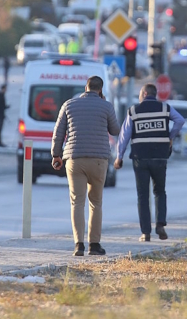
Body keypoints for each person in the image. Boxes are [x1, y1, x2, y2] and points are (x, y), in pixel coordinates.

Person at [52, 76, 120, 257]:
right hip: (99, 160)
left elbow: (58, 133)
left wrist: (56, 155)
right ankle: (95, 245)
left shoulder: (69, 105)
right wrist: (104, 108)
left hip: (75, 159)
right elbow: (115, 130)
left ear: (86, 87)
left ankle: (78, 245)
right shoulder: (106, 106)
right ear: (100, 89)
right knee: (96, 203)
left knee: (77, 202)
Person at [114, 84, 185, 242]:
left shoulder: (134, 111)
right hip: (160, 157)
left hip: (141, 157)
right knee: (160, 191)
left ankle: (145, 233)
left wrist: (119, 156)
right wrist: (170, 136)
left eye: (140, 93)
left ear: (145, 94)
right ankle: (160, 224)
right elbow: (180, 120)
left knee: (142, 195)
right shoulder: (165, 108)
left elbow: (124, 135)